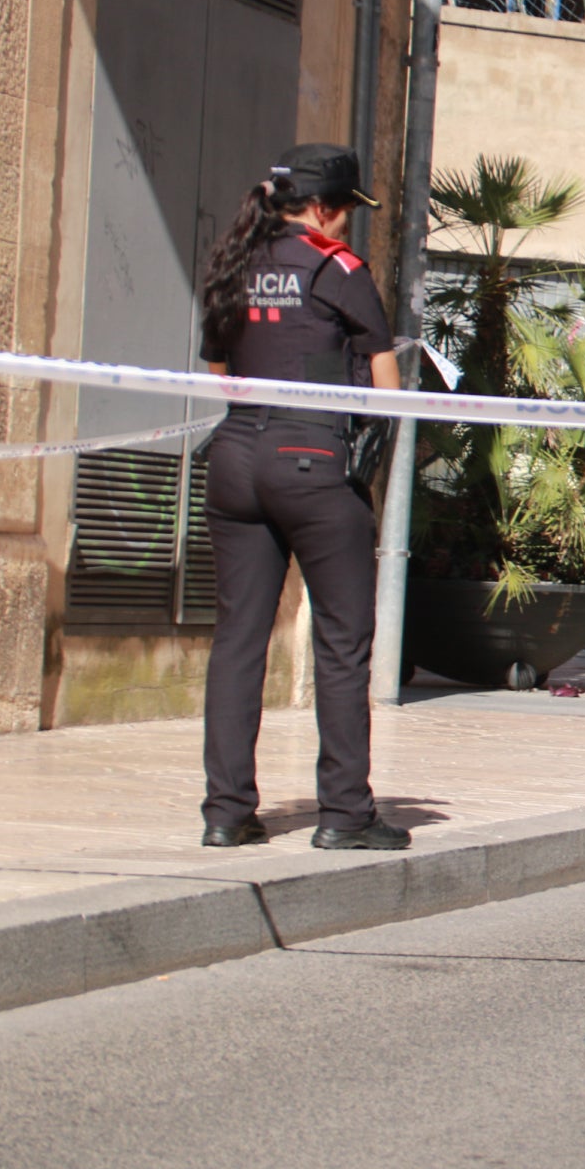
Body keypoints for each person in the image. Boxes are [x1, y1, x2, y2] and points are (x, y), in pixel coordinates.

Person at [194, 146, 406, 851]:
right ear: (323, 209)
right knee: (342, 644)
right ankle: (345, 813)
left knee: (237, 641)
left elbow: (223, 375)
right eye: (346, 210)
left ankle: (226, 812)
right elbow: (387, 391)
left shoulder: (233, 265)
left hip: (233, 457)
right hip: (312, 460)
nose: (347, 225)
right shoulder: (338, 271)